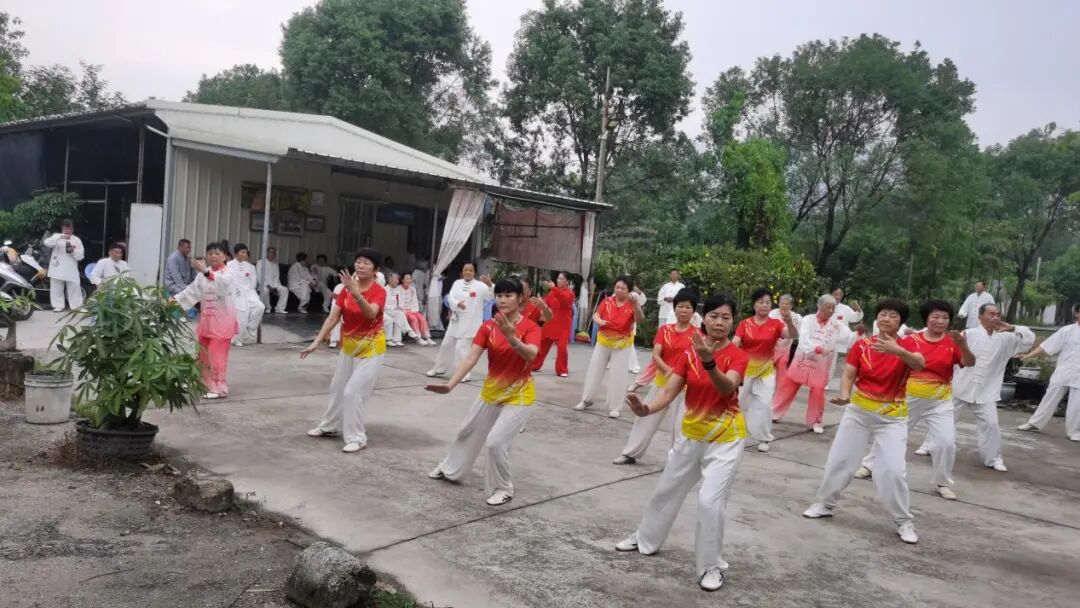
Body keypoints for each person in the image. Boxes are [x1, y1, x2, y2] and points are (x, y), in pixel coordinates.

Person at [616, 293, 749, 592]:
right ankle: (645, 538)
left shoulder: (738, 355)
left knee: (709, 502)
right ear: (705, 319)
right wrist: (646, 409)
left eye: (726, 317)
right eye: (714, 316)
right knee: (666, 490)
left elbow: (727, 387)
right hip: (691, 435)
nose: (719, 322)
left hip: (726, 439)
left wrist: (709, 362)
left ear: (733, 322)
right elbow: (669, 392)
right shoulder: (689, 354)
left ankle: (711, 566)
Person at [802, 298, 925, 545]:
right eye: (883, 314)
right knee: (839, 461)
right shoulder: (862, 345)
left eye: (893, 315)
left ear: (900, 321)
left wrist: (898, 351)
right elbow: (849, 373)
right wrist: (844, 394)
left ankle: (903, 520)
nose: (887, 318)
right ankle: (825, 504)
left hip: (892, 418)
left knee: (892, 471)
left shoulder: (908, 344)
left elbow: (920, 364)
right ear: (876, 317)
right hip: (858, 413)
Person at [426, 278, 542, 506]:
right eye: (499, 295)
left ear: (520, 299)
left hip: (519, 394)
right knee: (466, 431)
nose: (502, 300)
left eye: (508, 295)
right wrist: (450, 385)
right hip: (491, 391)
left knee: (496, 442)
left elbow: (531, 354)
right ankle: (450, 468)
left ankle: (503, 488)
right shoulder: (487, 326)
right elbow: (471, 358)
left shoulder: (531, 327)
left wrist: (512, 337)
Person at [854, 301, 976, 501]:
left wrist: (962, 345)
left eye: (945, 318)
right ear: (926, 318)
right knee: (890, 433)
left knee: (946, 442)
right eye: (935, 317)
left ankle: (942, 482)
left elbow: (970, 363)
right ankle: (869, 465)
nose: (940, 321)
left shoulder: (953, 342)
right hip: (908, 398)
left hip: (940, 401)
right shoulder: (911, 341)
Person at [302, 249, 387, 453]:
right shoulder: (345, 290)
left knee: (352, 392)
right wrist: (316, 342)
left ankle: (357, 437)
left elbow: (370, 314)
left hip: (371, 349)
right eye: (358, 261)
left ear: (375, 269)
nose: (360, 265)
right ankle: (330, 426)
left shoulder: (379, 291)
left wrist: (356, 294)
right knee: (337, 388)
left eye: (366, 263)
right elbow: (333, 318)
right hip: (349, 347)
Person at [613, 288, 698, 465]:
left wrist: (679, 375)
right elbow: (656, 355)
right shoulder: (664, 330)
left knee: (680, 426)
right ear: (674, 308)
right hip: (662, 383)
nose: (684, 310)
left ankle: (677, 462)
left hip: (684, 388)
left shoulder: (698, 335)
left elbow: (697, 361)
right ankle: (630, 453)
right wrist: (668, 370)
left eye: (688, 307)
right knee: (645, 418)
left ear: (693, 311)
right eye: (680, 306)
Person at [951, 303, 1034, 471]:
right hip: (960, 386)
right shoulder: (968, 334)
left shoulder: (1007, 338)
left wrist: (1012, 328)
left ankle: (993, 458)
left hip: (987, 390)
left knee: (991, 425)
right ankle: (930, 445)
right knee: (945, 419)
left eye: (998, 314)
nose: (995, 317)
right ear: (980, 316)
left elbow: (1029, 339)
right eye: (991, 314)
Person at [772, 295, 851, 433]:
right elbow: (803, 339)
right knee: (788, 387)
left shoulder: (836, 325)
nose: (830, 311)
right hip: (802, 360)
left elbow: (849, 337)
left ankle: (815, 421)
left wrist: (859, 335)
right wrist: (816, 348)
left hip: (821, 364)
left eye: (833, 308)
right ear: (819, 306)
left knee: (818, 392)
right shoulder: (808, 319)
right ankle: (773, 413)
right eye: (828, 307)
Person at [170, 242, 239, 400]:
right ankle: (205, 385)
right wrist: (175, 300)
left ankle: (219, 388)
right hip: (206, 322)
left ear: (225, 256)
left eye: (217, 253)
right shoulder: (203, 274)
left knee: (216, 355)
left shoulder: (229, 272)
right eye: (210, 253)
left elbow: (223, 285)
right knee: (202, 354)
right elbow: (192, 292)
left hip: (223, 323)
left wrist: (205, 272)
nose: (213, 256)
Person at [733, 288, 798, 453]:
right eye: (760, 302)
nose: (764, 305)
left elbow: (792, 334)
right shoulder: (745, 324)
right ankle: (731, 434)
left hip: (765, 371)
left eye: (767, 302)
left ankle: (763, 438)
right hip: (745, 371)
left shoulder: (776, 324)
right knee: (736, 403)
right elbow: (735, 342)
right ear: (754, 305)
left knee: (764, 404)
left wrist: (790, 322)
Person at [576, 275, 645, 418]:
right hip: (603, 341)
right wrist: (599, 321)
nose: (619, 290)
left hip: (622, 343)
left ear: (629, 290)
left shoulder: (632, 303)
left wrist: (636, 306)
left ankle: (615, 407)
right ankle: (586, 399)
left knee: (618, 374)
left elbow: (640, 319)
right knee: (595, 370)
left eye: (623, 288)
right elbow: (596, 315)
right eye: (617, 287)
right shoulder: (607, 301)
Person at [1017, 303, 1080, 441]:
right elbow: (1047, 346)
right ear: (1077, 313)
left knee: (1077, 404)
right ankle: (1034, 423)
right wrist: (1028, 356)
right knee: (1049, 398)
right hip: (1064, 370)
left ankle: (1074, 432)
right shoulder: (1067, 331)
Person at [427, 263, 492, 382]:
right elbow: (450, 297)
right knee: (446, 345)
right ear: (462, 272)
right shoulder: (457, 283)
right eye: (465, 270)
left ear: (474, 272)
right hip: (455, 321)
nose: (468, 272)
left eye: (470, 270)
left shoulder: (481, 286)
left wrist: (490, 285)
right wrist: (457, 304)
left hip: (470, 323)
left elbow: (491, 296)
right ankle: (439, 368)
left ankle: (463, 374)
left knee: (461, 349)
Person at [532, 272, 576, 377]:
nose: (558, 280)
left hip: (563, 324)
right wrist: (540, 302)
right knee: (542, 345)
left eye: (561, 278)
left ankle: (562, 369)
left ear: (567, 281)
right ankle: (534, 365)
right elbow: (546, 303)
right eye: (558, 278)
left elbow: (564, 300)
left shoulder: (570, 294)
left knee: (562, 347)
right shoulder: (552, 292)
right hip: (551, 322)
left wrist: (554, 288)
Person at [225, 243, 265, 347]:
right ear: (236, 253)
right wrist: (236, 292)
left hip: (249, 293)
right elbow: (228, 281)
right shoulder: (229, 265)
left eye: (245, 252)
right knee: (242, 316)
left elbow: (253, 283)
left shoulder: (250, 267)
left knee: (260, 307)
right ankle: (237, 339)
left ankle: (250, 327)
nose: (244, 254)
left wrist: (248, 292)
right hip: (235, 294)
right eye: (242, 252)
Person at [44, 219, 85, 312]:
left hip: (71, 267)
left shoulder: (76, 240)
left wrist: (73, 251)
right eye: (66, 228)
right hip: (57, 267)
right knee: (56, 288)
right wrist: (59, 237)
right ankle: (58, 306)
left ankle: (77, 306)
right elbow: (46, 243)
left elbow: (81, 256)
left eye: (70, 228)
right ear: (62, 228)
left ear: (73, 229)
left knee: (75, 287)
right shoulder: (56, 236)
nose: (68, 230)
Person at [827, 287, 864, 388]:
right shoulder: (825, 306)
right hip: (825, 337)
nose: (838, 296)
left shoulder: (845, 308)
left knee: (833, 360)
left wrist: (858, 309)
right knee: (824, 360)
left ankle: (827, 382)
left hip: (840, 339)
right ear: (831, 294)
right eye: (836, 294)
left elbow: (855, 318)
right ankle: (818, 380)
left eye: (840, 294)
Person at [383, 273, 420, 347]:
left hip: (394, 311)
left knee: (399, 315)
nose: (397, 281)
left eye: (398, 279)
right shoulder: (384, 290)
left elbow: (401, 303)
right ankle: (407, 331)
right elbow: (384, 305)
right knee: (398, 315)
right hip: (385, 311)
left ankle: (396, 340)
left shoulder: (397, 290)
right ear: (390, 279)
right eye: (396, 279)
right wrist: (394, 308)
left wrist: (399, 307)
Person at [401, 273, 435, 345]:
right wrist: (405, 310)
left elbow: (414, 300)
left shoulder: (412, 289)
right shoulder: (398, 289)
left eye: (410, 279)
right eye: (407, 279)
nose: (409, 280)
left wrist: (414, 310)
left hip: (412, 309)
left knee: (422, 319)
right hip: (403, 310)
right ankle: (418, 338)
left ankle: (426, 337)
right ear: (402, 280)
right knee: (414, 319)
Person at [257, 247, 289, 314]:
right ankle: (268, 308)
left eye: (274, 253)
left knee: (285, 290)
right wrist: (269, 286)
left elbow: (276, 277)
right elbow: (259, 277)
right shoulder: (260, 262)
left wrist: (275, 287)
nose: (272, 254)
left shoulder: (275, 264)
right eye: (271, 252)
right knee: (265, 290)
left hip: (274, 285)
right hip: (264, 285)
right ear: (267, 253)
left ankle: (279, 308)